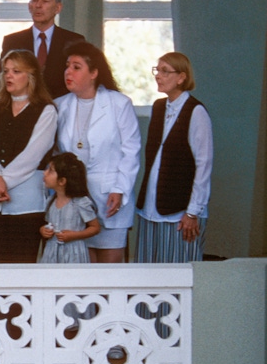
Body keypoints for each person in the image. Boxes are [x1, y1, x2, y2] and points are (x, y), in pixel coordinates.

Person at [54, 41, 141, 263]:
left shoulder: (118, 104)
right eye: (67, 66)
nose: (68, 72)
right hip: (75, 199)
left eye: (76, 67)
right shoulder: (60, 105)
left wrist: (120, 189)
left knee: (109, 273)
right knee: (82, 271)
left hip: (109, 197)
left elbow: (131, 151)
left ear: (93, 73)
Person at [0, 49, 57, 263]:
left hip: (27, 202)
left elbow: (33, 154)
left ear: (30, 76)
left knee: (22, 265)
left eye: (16, 71)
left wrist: (4, 182)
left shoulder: (46, 111)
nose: (8, 76)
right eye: (5, 71)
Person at [136, 52, 213, 262]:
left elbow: (203, 164)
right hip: (152, 206)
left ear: (181, 77)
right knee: (147, 273)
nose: (158, 76)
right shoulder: (159, 107)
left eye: (165, 71)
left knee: (177, 273)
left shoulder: (196, 112)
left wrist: (192, 212)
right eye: (157, 70)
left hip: (180, 212)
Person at [0, 0, 85, 101]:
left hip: (62, 112)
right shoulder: (13, 41)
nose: (38, 5)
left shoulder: (73, 40)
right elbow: (0, 81)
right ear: (29, 6)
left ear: (58, 8)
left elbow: (80, 81)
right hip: (23, 112)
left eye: (45, 0)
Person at [40, 152, 100, 264]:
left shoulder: (81, 203)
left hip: (74, 254)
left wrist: (74, 235)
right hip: (52, 253)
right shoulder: (51, 201)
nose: (45, 173)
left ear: (62, 181)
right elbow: (49, 223)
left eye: (50, 170)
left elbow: (95, 227)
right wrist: (44, 230)